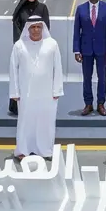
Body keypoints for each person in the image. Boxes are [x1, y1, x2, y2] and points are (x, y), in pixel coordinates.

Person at [9, 15, 63, 160]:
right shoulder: (19, 46)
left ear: (43, 28)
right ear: (28, 28)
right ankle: (23, 150)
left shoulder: (52, 44)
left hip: (47, 93)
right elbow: (13, 69)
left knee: (45, 122)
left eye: (39, 27)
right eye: (33, 27)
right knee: (26, 121)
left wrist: (57, 89)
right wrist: (14, 92)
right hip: (26, 92)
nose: (36, 30)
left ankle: (45, 150)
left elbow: (57, 68)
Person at [73, 0, 106, 116]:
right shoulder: (80, 9)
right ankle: (88, 104)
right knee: (87, 78)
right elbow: (76, 31)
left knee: (102, 78)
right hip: (85, 50)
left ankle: (101, 104)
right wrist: (76, 50)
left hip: (102, 50)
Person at [10, 0, 50, 116]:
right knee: (22, 76)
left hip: (39, 48)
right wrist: (22, 45)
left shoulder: (42, 8)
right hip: (24, 50)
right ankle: (18, 105)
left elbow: (46, 28)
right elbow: (16, 29)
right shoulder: (21, 9)